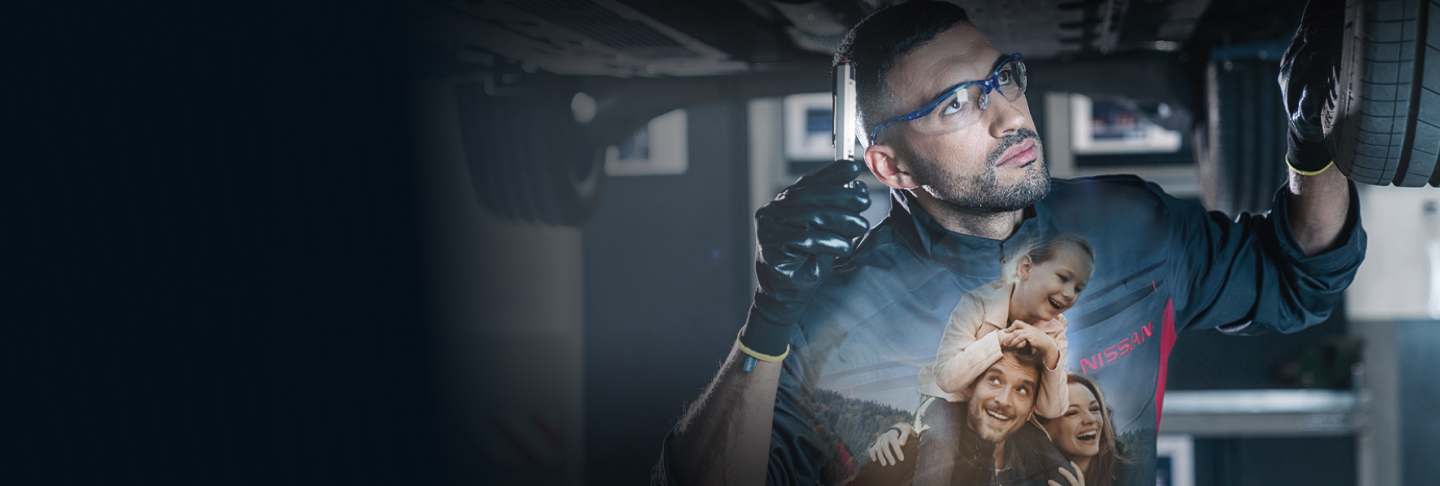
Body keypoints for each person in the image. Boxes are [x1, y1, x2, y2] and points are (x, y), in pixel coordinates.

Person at [660, 1, 1362, 485]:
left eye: (1003, 79)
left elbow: (1297, 275)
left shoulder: (1129, 223)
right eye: (956, 104)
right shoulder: (832, 319)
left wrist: (1310, 145)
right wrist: (770, 321)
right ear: (891, 166)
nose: (1007, 116)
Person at [913, 234, 1095, 486]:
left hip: (1005, 413)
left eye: (1078, 288)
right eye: (1063, 278)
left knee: (1056, 466)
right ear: (1026, 267)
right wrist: (998, 340)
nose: (1068, 294)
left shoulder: (1055, 331)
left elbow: (1051, 410)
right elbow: (945, 378)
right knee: (940, 443)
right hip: (947, 401)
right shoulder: (976, 304)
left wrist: (1050, 351)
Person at [854, 346, 1074, 486]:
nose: (1004, 400)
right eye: (995, 380)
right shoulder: (900, 456)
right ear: (969, 388)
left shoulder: (1044, 473)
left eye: (1022, 390)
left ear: (1031, 411)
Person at [1036, 373, 1137, 486]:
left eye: (1094, 409)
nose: (1090, 419)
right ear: (1043, 428)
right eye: (1073, 413)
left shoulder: (1132, 474)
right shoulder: (1025, 476)